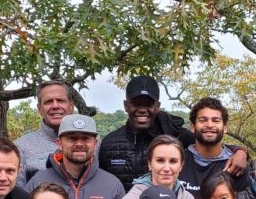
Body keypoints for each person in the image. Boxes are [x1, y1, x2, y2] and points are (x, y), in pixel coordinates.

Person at [97, 75, 247, 190]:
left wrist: (240, 152)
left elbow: (209, 143)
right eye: (136, 103)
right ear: (126, 105)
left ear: (157, 106)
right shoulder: (109, 143)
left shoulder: (176, 136)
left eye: (149, 104)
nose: (142, 109)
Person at [27, 115, 126, 199]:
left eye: (85, 138)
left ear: (95, 143)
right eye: (72, 138)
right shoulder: (38, 182)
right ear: (59, 143)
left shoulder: (112, 185)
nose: (79, 144)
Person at [108, 135, 196, 199]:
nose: (166, 168)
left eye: (173, 161)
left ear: (181, 165)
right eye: (160, 160)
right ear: (149, 164)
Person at [179, 97, 244, 196]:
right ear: (192, 127)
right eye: (203, 120)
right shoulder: (177, 161)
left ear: (225, 128)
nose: (209, 125)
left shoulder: (237, 165)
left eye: (216, 120)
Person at [15, 80, 75, 184]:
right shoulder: (21, 147)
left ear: (71, 106)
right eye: (48, 102)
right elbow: (18, 193)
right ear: (40, 109)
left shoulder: (92, 143)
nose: (55, 106)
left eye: (60, 100)